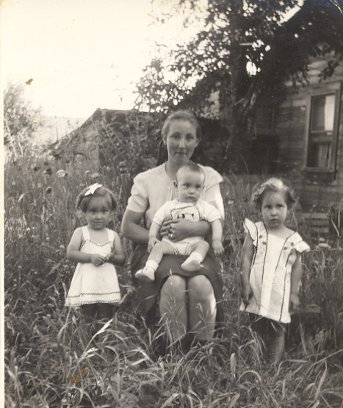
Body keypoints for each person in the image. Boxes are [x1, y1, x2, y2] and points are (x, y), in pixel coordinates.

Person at [121, 110, 225, 348]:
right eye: (175, 136)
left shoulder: (207, 176)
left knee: (200, 284)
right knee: (174, 283)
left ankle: (202, 351)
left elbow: (217, 222)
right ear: (164, 137)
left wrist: (189, 229)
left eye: (189, 138)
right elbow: (127, 227)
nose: (181, 144)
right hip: (157, 251)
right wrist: (156, 237)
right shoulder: (146, 180)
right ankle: (173, 351)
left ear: (197, 141)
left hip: (197, 249)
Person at [240, 177, 310, 364]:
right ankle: (253, 361)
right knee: (255, 327)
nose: (273, 212)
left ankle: (272, 367)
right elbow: (246, 258)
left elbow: (296, 267)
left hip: (279, 294)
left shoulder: (293, 238)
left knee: (277, 330)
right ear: (259, 208)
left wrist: (294, 293)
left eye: (279, 206)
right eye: (267, 207)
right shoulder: (256, 231)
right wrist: (245, 284)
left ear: (288, 208)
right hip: (257, 290)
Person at [135, 162, 224, 282]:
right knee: (158, 247)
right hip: (171, 244)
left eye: (197, 187)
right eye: (186, 185)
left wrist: (216, 240)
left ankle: (194, 261)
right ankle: (149, 269)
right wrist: (152, 237)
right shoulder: (169, 206)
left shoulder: (203, 206)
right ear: (176, 185)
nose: (192, 191)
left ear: (203, 188)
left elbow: (216, 220)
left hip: (192, 245)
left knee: (204, 245)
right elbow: (156, 222)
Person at [66, 183, 125, 322]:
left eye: (104, 211)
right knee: (86, 316)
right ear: (83, 212)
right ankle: (86, 342)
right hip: (87, 283)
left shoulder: (113, 235)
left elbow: (122, 258)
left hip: (106, 283)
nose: (99, 216)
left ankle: (103, 342)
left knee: (105, 316)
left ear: (111, 213)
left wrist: (112, 258)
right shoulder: (81, 232)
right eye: (93, 211)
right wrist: (90, 257)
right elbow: (71, 253)